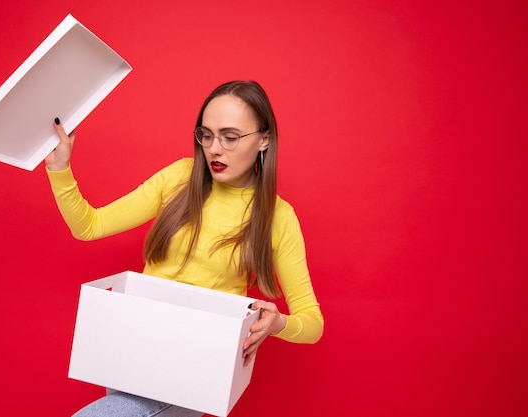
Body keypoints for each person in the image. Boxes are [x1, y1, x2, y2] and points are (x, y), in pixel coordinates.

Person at [45, 80, 324, 416]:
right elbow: (90, 226)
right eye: (206, 135)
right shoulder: (180, 177)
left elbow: (313, 322)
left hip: (196, 362)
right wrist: (59, 168)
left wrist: (279, 324)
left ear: (264, 139)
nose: (214, 149)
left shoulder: (278, 216)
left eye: (230, 137)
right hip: (133, 343)